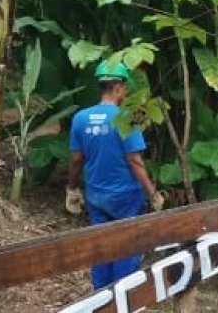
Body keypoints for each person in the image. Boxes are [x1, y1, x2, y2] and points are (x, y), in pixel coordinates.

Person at [66, 59, 165, 289]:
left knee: (100, 248)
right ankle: (122, 302)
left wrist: (72, 188)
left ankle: (100, 299)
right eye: (125, 89)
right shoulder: (126, 117)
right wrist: (153, 194)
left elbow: (76, 159)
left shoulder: (80, 118)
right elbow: (135, 161)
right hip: (126, 198)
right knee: (126, 250)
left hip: (96, 196)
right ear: (119, 88)